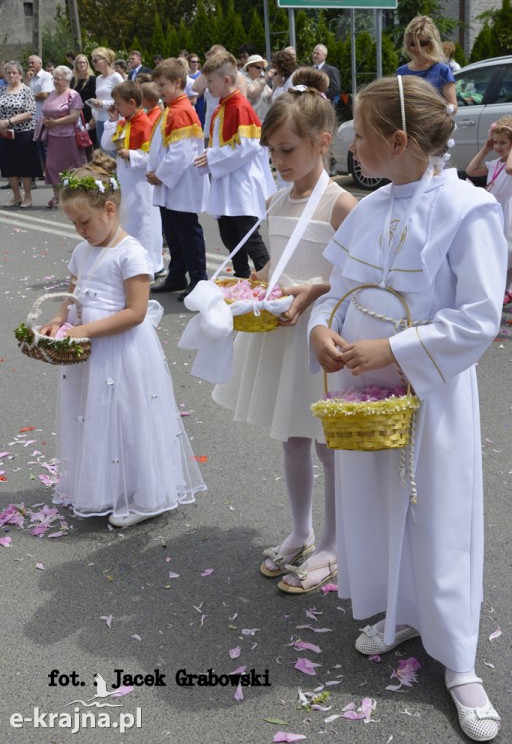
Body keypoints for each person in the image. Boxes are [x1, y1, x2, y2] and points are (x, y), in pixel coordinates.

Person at [309, 75, 505, 742]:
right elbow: (337, 287)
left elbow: (477, 319)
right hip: (368, 399)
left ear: (397, 141)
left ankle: (460, 660)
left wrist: (392, 347)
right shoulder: (368, 208)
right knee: (384, 506)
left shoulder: (468, 209)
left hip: (432, 397)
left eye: (359, 136)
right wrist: (323, 335)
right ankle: (402, 611)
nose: (350, 147)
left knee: (438, 513)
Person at [213, 68, 357, 593]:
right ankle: (301, 529)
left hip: (317, 337)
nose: (278, 162)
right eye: (272, 152)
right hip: (281, 333)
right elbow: (279, 261)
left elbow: (356, 277)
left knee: (329, 443)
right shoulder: (277, 201)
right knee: (293, 437)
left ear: (322, 143)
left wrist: (313, 289)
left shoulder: (341, 204)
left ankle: (337, 542)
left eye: (287, 150)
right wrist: (261, 279)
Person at [40, 154, 206, 527]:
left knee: (128, 416)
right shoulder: (83, 251)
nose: (80, 230)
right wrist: (57, 320)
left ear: (109, 209)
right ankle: (110, 486)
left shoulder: (131, 253)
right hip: (91, 352)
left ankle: (147, 496)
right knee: (96, 413)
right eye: (74, 223)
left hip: (123, 350)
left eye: (84, 221)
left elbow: (135, 312)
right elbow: (72, 295)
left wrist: (81, 331)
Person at [194, 51, 274, 279]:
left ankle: (269, 277)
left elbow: (248, 146)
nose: (207, 86)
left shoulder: (239, 107)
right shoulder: (223, 106)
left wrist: (213, 157)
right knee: (229, 235)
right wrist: (210, 155)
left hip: (241, 183)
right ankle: (241, 276)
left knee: (249, 235)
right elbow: (223, 144)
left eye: (210, 81)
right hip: (227, 180)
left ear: (226, 80)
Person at [147, 58, 209, 299]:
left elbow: (180, 153)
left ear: (177, 82)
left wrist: (160, 175)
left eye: (163, 85)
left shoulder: (181, 110)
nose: (159, 90)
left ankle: (198, 279)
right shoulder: (172, 108)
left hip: (180, 185)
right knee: (173, 233)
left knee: (186, 232)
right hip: (172, 185)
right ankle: (176, 276)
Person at [101, 80, 164, 275]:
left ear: (131, 102)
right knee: (130, 222)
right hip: (127, 181)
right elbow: (107, 145)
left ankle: (150, 266)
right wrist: (111, 121)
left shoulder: (144, 123)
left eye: (118, 104)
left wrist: (133, 155)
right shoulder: (123, 122)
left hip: (141, 183)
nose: (116, 107)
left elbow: (153, 157)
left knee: (144, 224)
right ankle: (135, 265)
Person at [466, 115, 512, 304]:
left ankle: (509, 287)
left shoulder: (509, 164)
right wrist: (485, 149)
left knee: (509, 247)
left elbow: (509, 170)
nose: (498, 146)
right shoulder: (493, 164)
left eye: (503, 143)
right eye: (495, 142)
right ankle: (497, 282)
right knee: (495, 244)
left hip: (509, 207)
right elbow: (470, 170)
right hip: (495, 207)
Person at [42, 65, 86, 209]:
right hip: (52, 136)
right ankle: (57, 195)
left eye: (58, 79)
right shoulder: (52, 93)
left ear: (67, 80)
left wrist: (55, 122)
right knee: (51, 165)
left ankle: (74, 196)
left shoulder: (73, 95)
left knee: (70, 167)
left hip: (68, 137)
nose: (55, 81)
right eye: (54, 78)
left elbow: (74, 117)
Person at [396, 15, 457, 113]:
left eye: (422, 43)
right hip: (409, 126)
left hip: (435, 125)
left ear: (433, 43)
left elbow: (454, 107)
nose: (417, 49)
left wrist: (445, 109)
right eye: (412, 44)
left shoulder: (442, 70)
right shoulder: (401, 72)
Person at [0, 60, 40, 207]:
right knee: (8, 165)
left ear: (20, 74)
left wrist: (8, 122)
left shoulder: (26, 90)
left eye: (14, 73)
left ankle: (28, 196)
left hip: (24, 133)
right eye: (8, 73)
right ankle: (16, 196)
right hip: (5, 134)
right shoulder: (2, 90)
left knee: (25, 165)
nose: (11, 75)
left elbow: (30, 113)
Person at [88, 47, 123, 147]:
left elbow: (124, 100)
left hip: (113, 120)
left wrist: (102, 103)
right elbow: (99, 98)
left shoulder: (116, 77)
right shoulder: (98, 78)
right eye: (92, 60)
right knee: (103, 150)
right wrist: (94, 108)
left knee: (112, 152)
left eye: (95, 60)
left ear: (106, 60)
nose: (93, 63)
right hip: (100, 119)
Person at [28, 54, 54, 170]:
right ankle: (39, 170)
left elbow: (44, 94)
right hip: (32, 116)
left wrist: (28, 97)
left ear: (40, 63)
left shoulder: (46, 76)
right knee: (34, 145)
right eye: (29, 63)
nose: (30, 65)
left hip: (43, 116)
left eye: (32, 62)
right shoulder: (31, 77)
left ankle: (49, 170)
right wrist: (27, 79)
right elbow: (23, 91)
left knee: (44, 145)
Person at [71, 54, 97, 152]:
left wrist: (94, 117)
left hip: (90, 114)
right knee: (81, 141)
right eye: (79, 62)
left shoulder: (92, 79)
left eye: (84, 62)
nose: (82, 65)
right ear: (76, 64)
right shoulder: (73, 80)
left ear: (87, 64)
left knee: (92, 143)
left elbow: (95, 98)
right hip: (78, 115)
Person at [242, 54, 273, 122]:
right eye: (258, 67)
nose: (261, 70)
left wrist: (276, 82)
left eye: (262, 68)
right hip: (252, 122)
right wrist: (266, 78)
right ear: (249, 67)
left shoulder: (261, 81)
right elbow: (253, 93)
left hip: (264, 120)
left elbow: (272, 95)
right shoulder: (244, 80)